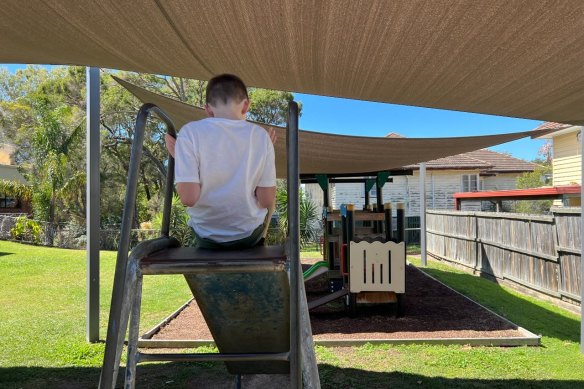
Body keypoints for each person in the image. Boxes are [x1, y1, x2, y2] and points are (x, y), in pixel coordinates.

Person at [165, 74, 277, 249]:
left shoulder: (189, 133)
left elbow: (188, 198)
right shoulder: (261, 137)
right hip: (248, 235)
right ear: (246, 105)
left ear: (208, 109)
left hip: (207, 236)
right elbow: (266, 200)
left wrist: (180, 158)